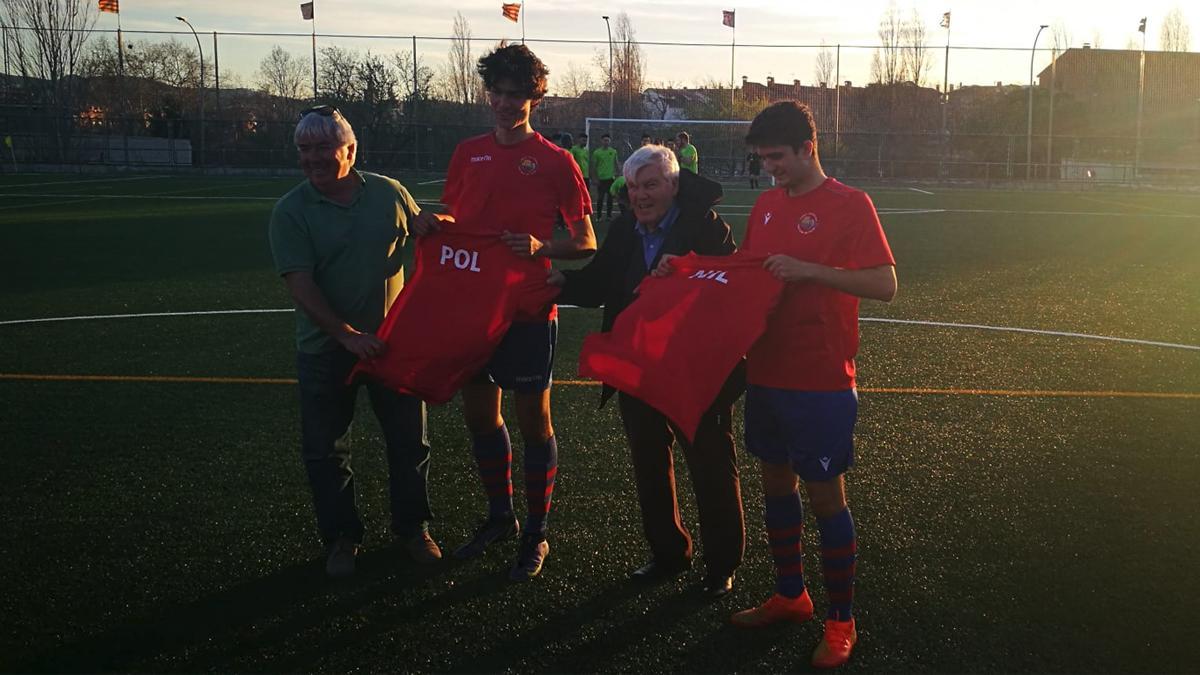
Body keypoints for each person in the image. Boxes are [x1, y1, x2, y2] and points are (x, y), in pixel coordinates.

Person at [411, 44, 596, 581]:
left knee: (534, 421)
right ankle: (500, 517)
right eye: (499, 91)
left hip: (529, 308)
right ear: (486, 91)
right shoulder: (468, 153)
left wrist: (541, 245)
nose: (507, 102)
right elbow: (455, 216)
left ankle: (537, 532)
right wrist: (431, 221)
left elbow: (584, 241)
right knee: (479, 416)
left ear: (535, 98)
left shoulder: (558, 162)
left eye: (518, 94)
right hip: (472, 307)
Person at [727, 101, 896, 669]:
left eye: (776, 157)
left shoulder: (851, 204)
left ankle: (842, 619)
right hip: (766, 372)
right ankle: (790, 594)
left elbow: (885, 284)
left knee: (826, 498)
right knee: (776, 485)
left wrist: (810, 272)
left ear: (808, 148)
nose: (769, 167)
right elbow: (748, 276)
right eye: (763, 158)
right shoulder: (768, 205)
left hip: (821, 377)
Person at [549, 145, 745, 598]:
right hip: (635, 365)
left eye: (650, 184)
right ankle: (668, 553)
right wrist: (564, 281)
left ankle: (721, 566)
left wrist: (685, 271)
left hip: (695, 369)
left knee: (711, 464)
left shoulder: (705, 227)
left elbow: (730, 282)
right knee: (649, 462)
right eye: (633, 186)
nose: (640, 195)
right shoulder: (622, 229)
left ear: (674, 185)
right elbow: (601, 283)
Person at [268, 105, 439, 579]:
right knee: (326, 451)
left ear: (351, 150)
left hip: (394, 349)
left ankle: (413, 529)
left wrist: (431, 226)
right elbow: (300, 284)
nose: (312, 158)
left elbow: (425, 229)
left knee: (410, 444)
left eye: (323, 148)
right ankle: (341, 538)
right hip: (326, 351)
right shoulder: (291, 211)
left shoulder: (389, 193)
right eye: (304, 149)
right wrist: (347, 336)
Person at [591, 133, 619, 221]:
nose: (606, 142)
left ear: (610, 141)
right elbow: (594, 166)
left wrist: (618, 174)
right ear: (601, 141)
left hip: (611, 179)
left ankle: (609, 216)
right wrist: (595, 178)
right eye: (604, 140)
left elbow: (616, 163)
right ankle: (599, 216)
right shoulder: (597, 152)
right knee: (600, 198)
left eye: (607, 140)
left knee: (610, 199)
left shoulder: (613, 151)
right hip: (601, 179)